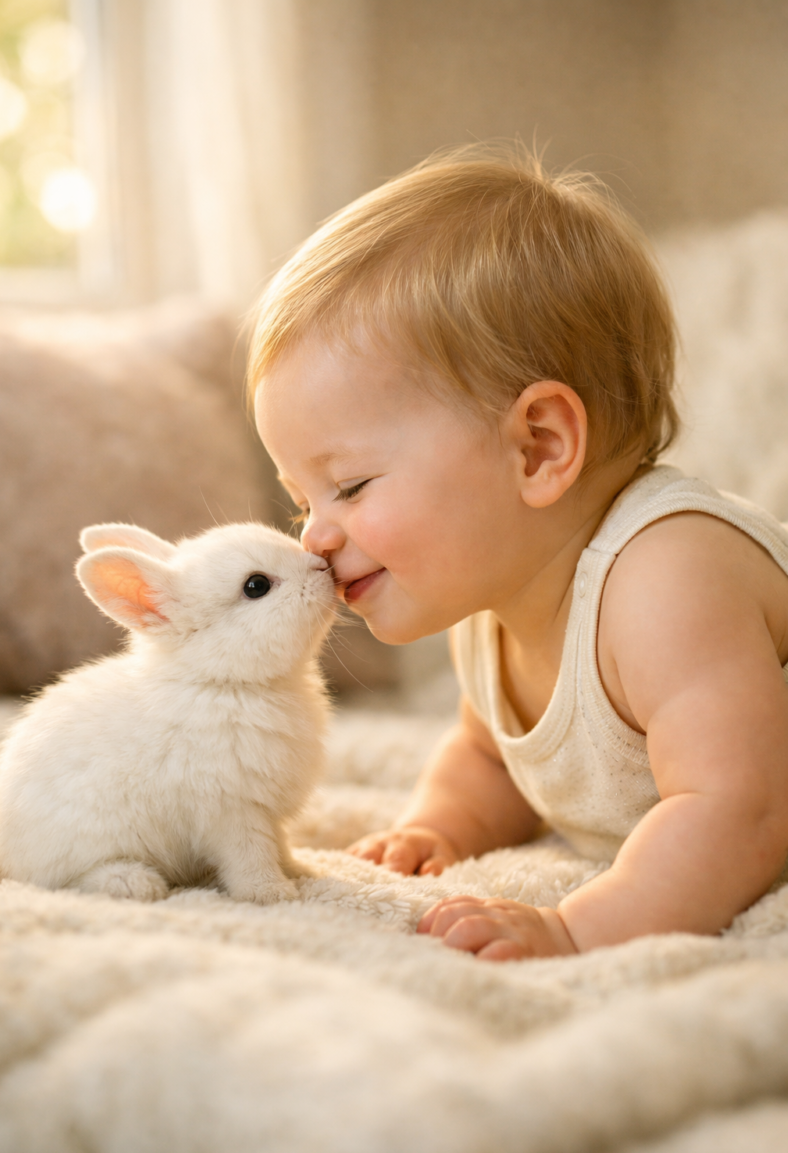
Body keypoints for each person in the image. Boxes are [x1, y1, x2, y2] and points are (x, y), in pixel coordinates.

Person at [251, 147, 788, 960]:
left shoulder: (666, 580)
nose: (313, 537)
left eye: (350, 486)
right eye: (303, 501)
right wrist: (439, 827)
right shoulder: (497, 610)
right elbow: (493, 759)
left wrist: (578, 927)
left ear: (538, 447)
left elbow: (741, 810)